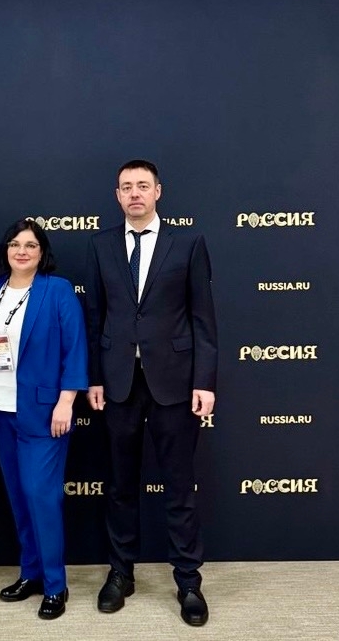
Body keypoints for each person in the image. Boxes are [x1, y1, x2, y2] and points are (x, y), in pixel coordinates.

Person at [84, 160, 217, 627]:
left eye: (143, 185)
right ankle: (121, 573)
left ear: (158, 191)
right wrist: (95, 377)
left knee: (179, 488)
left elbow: (203, 318)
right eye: (126, 187)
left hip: (175, 383)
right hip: (118, 383)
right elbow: (95, 316)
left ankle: (188, 582)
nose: (135, 193)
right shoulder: (100, 245)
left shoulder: (188, 242)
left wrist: (205, 381)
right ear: (117, 195)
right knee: (121, 486)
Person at [0, 219, 87, 620]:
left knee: (42, 497)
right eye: (15, 244)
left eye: (31, 245)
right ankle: (31, 573)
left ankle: (56, 585)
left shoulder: (57, 290)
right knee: (20, 498)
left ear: (42, 252)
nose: (22, 251)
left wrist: (66, 401)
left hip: (44, 412)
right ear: (5, 250)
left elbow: (75, 347)